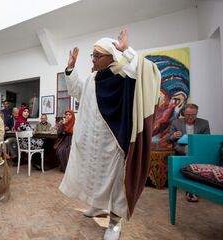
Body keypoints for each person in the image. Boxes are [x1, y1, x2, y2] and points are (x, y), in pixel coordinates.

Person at [58, 30, 161, 240]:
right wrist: (70, 68)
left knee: (114, 182)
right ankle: (97, 206)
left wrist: (127, 51)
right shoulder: (93, 78)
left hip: (113, 141)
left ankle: (115, 222)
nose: (93, 59)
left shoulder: (123, 75)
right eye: (93, 55)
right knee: (94, 176)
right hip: (90, 140)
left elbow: (145, 71)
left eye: (98, 55)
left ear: (112, 56)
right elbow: (77, 90)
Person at [167, 103, 210, 202]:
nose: (190, 117)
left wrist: (198, 141)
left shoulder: (204, 123)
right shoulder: (176, 123)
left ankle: (193, 188)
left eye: (193, 115)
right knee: (188, 150)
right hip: (182, 147)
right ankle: (191, 190)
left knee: (193, 151)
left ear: (197, 113)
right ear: (184, 113)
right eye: (188, 115)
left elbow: (207, 139)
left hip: (197, 149)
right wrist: (173, 136)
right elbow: (168, 139)